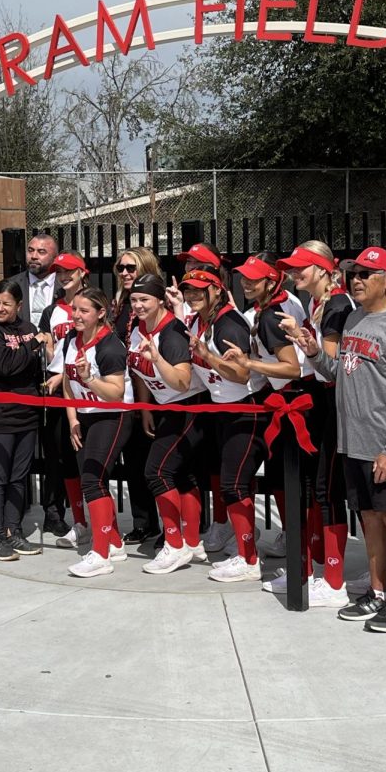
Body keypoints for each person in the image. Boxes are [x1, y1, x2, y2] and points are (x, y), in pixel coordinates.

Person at [293, 247, 386, 631]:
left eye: (367, 273)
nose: (357, 280)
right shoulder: (353, 319)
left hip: (382, 445)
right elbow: (337, 373)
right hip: (351, 441)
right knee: (368, 519)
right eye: (354, 274)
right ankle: (376, 593)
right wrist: (314, 354)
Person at [263, 241, 355, 600]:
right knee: (317, 488)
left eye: (301, 267)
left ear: (322, 269)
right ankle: (318, 570)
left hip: (335, 404)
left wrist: (301, 341)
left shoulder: (336, 305)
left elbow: (328, 366)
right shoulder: (319, 304)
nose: (293, 273)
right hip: (318, 402)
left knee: (327, 490)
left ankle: (332, 580)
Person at [217, 252, 306, 562]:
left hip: (293, 401)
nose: (245, 282)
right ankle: (296, 551)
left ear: (271, 281)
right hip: (284, 398)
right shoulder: (274, 307)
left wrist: (248, 362)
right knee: (282, 477)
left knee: (287, 480)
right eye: (244, 276)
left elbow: (291, 368)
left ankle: (296, 559)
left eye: (254, 278)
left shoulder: (270, 316)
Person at [180, 267, 268, 583]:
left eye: (198, 290)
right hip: (222, 409)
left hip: (247, 409)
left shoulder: (228, 324)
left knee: (233, 484)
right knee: (232, 482)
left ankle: (249, 559)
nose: (192, 295)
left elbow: (241, 374)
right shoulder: (198, 320)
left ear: (216, 291)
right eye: (188, 290)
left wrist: (207, 356)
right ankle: (245, 547)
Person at [47, 287, 134, 577]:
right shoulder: (71, 338)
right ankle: (114, 542)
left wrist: (90, 379)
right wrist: (72, 419)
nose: (76, 315)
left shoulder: (110, 346)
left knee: (92, 480)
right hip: (84, 416)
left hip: (113, 415)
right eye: (75, 309)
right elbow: (68, 381)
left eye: (84, 310)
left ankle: (100, 554)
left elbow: (116, 393)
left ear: (100, 313)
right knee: (94, 481)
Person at [127, 274, 206, 575]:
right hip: (163, 407)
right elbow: (138, 367)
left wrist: (158, 360)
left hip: (187, 406)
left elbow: (183, 381)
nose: (138, 305)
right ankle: (192, 541)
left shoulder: (171, 333)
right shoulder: (138, 328)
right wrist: (147, 406)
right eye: (134, 300)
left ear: (160, 300)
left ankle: (175, 545)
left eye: (144, 299)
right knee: (180, 474)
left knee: (156, 471)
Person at [0, 280, 50, 561]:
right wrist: (30, 350)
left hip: (26, 414)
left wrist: (28, 351)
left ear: (19, 306)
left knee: (19, 478)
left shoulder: (27, 329)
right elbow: (4, 366)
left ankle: (14, 531)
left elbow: (29, 370)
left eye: (7, 303)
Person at [110, 247, 163, 544]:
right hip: (125, 391)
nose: (125, 273)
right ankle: (145, 522)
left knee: (156, 465)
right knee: (133, 461)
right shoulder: (120, 302)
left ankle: (174, 528)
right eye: (121, 268)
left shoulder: (155, 303)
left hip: (155, 391)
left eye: (131, 267)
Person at [39, 250, 89, 541]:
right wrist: (47, 347)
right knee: (62, 458)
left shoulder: (94, 303)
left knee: (90, 459)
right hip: (60, 393)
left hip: (90, 391)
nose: (64, 276)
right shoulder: (52, 311)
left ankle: (102, 521)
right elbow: (52, 356)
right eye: (59, 271)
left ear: (83, 272)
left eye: (70, 270)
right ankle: (76, 521)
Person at [2, 233, 59, 323]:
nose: (34, 256)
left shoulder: (66, 286)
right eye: (30, 250)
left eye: (41, 252)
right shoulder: (12, 284)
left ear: (55, 257)